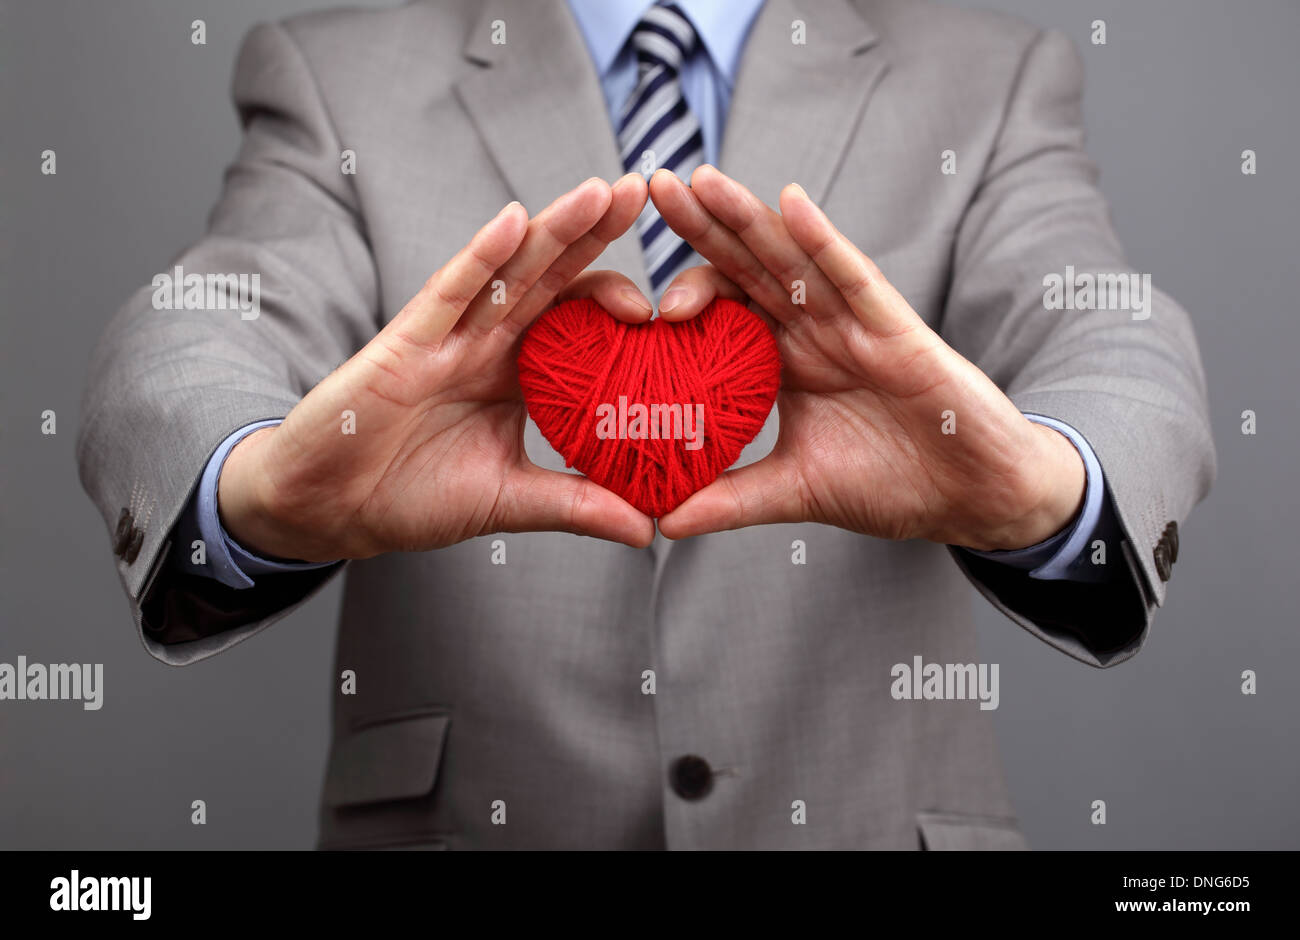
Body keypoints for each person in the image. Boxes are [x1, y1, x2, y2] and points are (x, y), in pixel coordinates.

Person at [76, 0, 1215, 849]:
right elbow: (195, 327)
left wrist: (1047, 489)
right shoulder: (335, 73)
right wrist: (253, 490)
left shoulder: (991, 75)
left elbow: (1112, 332)